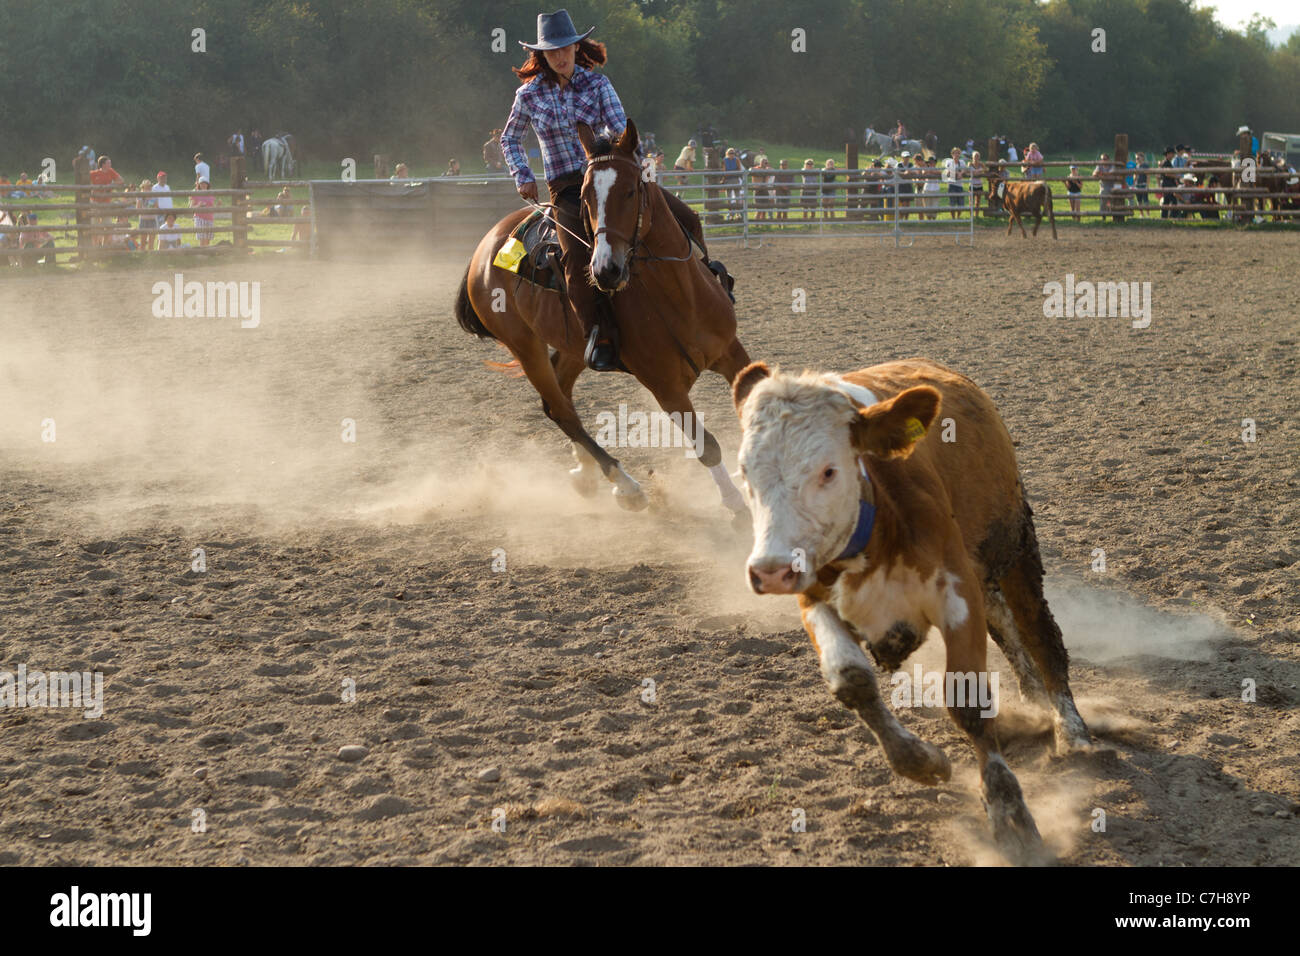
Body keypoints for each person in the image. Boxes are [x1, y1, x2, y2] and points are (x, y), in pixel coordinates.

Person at [499, 9, 706, 372]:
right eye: (553, 52)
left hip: (610, 176)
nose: (561, 56)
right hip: (567, 188)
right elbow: (510, 138)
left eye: (567, 48)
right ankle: (601, 336)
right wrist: (522, 174)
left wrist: (642, 173)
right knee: (576, 260)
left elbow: (620, 131)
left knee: (687, 217)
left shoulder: (598, 85)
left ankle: (709, 285)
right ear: (542, 56)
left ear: (578, 48)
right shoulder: (528, 95)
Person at [89, 156, 125, 247]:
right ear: (103, 164)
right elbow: (84, 182)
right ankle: (95, 247)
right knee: (95, 226)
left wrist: (111, 184)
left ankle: (104, 246)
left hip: (106, 203)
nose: (110, 164)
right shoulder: (94, 173)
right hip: (95, 203)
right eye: (108, 163)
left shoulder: (111, 171)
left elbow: (121, 180)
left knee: (108, 226)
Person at [190, 179, 215, 246]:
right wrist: (198, 205)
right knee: (202, 237)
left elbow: (212, 207)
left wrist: (218, 205)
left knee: (208, 238)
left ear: (208, 185)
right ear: (199, 185)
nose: (203, 185)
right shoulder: (196, 194)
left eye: (205, 183)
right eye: (201, 184)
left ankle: (206, 253)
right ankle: (201, 253)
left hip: (209, 218)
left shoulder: (211, 194)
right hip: (199, 217)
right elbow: (191, 207)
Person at [1158, 146, 1178, 219]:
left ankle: (1164, 217)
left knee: (1167, 201)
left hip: (1167, 184)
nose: (1173, 155)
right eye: (1172, 154)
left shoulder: (1167, 162)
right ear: (1168, 154)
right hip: (1168, 184)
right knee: (1173, 201)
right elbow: (1167, 174)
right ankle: (1173, 216)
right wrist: (1176, 176)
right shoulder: (1166, 163)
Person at [943, 147, 964, 218]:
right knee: (952, 203)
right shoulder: (948, 162)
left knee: (961, 203)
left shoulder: (962, 162)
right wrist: (958, 173)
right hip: (951, 185)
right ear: (952, 154)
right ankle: (953, 218)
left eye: (958, 153)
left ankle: (958, 217)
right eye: (955, 153)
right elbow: (948, 171)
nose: (956, 155)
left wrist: (961, 173)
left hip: (960, 185)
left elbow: (965, 170)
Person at [723, 147, 742, 217]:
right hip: (728, 180)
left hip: (735, 179)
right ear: (727, 154)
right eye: (730, 153)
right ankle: (730, 213)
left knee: (737, 197)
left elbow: (739, 169)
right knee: (728, 198)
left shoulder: (736, 160)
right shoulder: (725, 160)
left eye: (733, 153)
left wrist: (733, 173)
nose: (732, 154)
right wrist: (724, 179)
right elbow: (724, 171)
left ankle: (738, 213)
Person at [1133, 152, 1150, 217]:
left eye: (1138, 158)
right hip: (1137, 185)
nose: (1136, 160)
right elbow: (1135, 176)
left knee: (1145, 200)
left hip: (1143, 185)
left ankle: (1148, 215)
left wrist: (1147, 185)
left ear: (1142, 158)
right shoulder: (1136, 166)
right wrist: (1133, 184)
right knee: (1139, 200)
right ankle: (1141, 214)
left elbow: (1148, 176)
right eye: (1136, 158)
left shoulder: (1145, 166)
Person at [968, 150, 984, 215]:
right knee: (971, 201)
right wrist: (977, 172)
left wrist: (977, 172)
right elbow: (968, 171)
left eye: (977, 156)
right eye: (975, 156)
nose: (976, 158)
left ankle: (976, 215)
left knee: (978, 201)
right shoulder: (970, 164)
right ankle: (971, 215)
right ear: (972, 157)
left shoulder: (981, 164)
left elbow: (985, 170)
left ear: (979, 157)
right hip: (972, 185)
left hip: (979, 185)